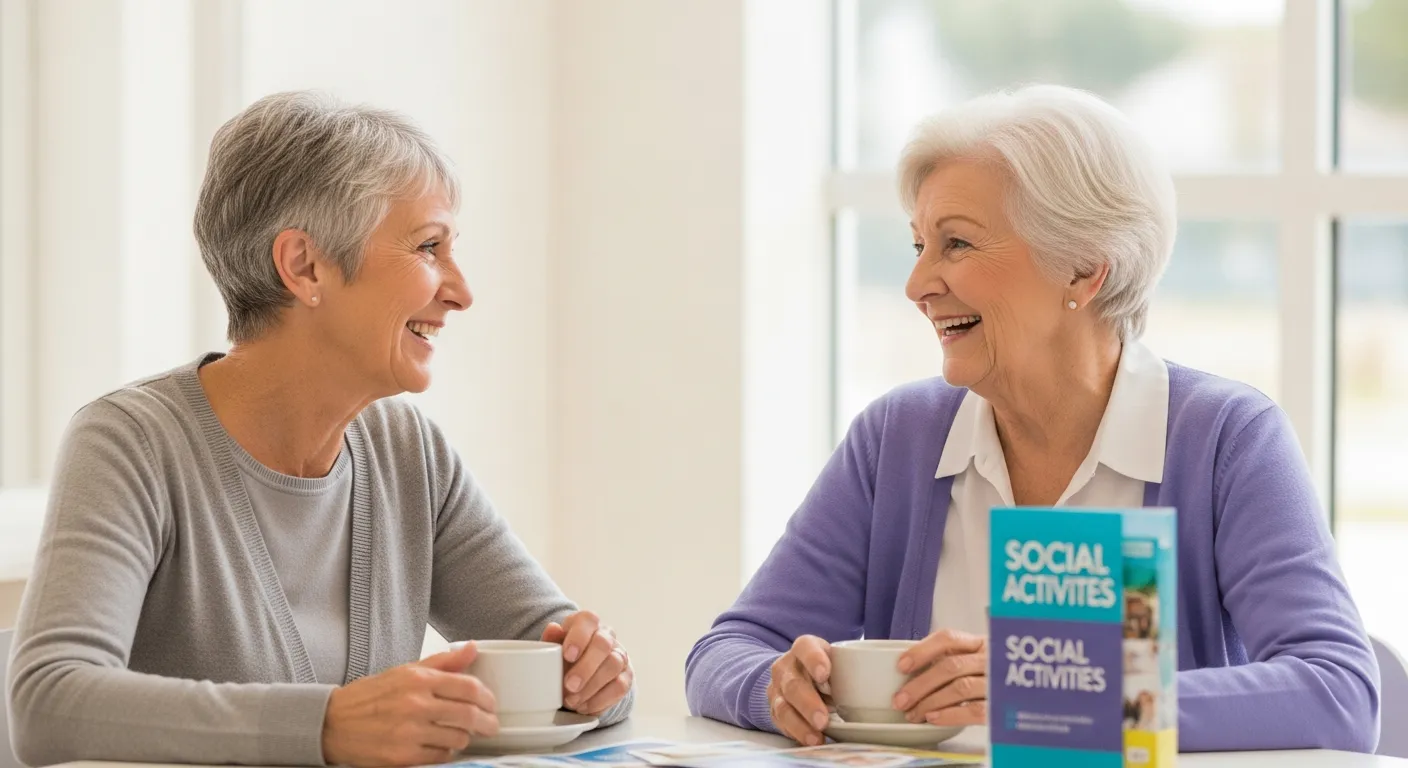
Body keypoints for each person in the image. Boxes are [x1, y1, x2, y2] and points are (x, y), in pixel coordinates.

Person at [685, 85, 1379, 753]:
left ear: (1083, 269)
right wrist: (776, 687)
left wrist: (1051, 692)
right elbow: (724, 653)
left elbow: (1338, 693)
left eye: (956, 243)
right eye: (918, 244)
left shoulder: (1226, 439)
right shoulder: (897, 438)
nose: (918, 283)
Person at [6, 91, 633, 768]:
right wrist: (326, 726)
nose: (460, 290)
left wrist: (595, 674)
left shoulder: (408, 453)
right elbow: (48, 703)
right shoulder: (131, 443)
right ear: (303, 266)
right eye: (429, 247)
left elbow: (554, 653)